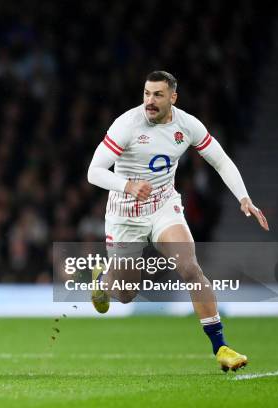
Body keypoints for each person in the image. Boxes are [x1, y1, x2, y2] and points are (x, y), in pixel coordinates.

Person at [87, 71, 268, 372]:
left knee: (189, 266)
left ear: (173, 97)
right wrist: (128, 185)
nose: (150, 101)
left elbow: (220, 160)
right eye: (146, 94)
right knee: (127, 294)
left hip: (163, 207)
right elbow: (94, 171)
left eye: (157, 95)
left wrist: (244, 198)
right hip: (125, 215)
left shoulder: (188, 125)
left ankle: (220, 347)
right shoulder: (127, 124)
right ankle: (102, 282)